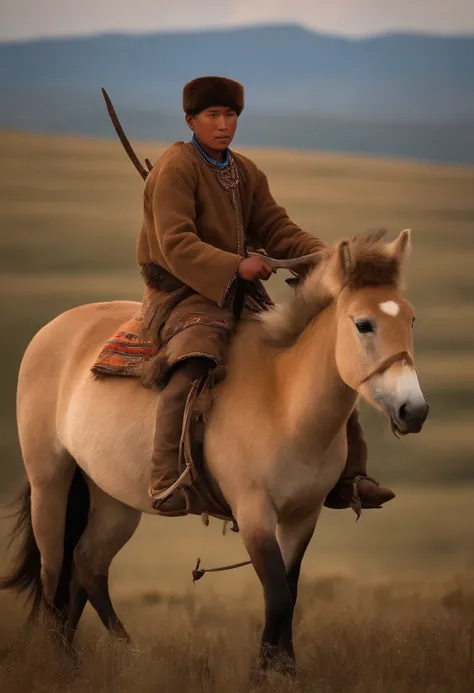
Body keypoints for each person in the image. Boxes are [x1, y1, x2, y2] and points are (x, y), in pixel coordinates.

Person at [136, 75, 395, 516]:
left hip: (238, 292)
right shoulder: (176, 167)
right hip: (182, 292)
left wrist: (325, 257)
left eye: (230, 115)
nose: (223, 124)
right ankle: (166, 478)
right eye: (212, 115)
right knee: (193, 360)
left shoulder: (243, 171)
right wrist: (235, 265)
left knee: (315, 354)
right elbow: (177, 243)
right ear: (190, 120)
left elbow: (276, 228)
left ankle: (350, 475)